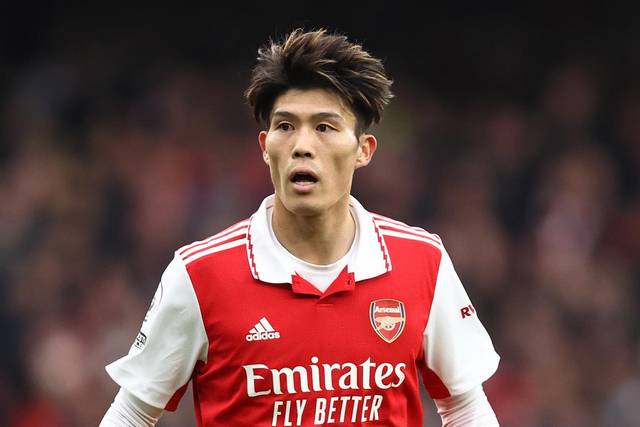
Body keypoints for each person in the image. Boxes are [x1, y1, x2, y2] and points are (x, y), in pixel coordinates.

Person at [100, 28, 500, 426]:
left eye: (324, 127)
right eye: (286, 126)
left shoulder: (422, 261)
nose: (302, 145)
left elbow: (465, 408)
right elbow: (131, 414)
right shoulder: (200, 274)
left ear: (363, 150)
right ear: (265, 146)